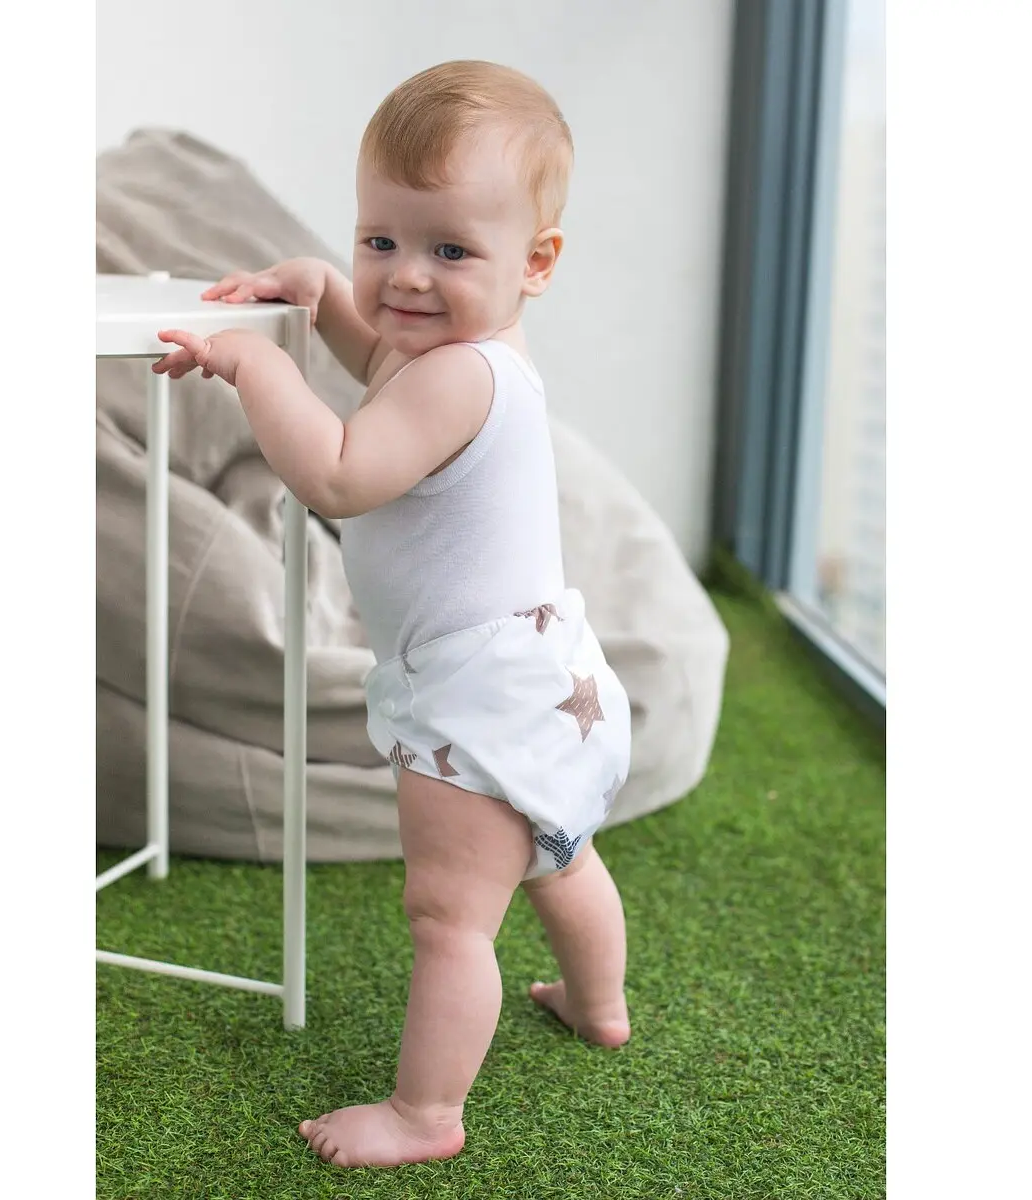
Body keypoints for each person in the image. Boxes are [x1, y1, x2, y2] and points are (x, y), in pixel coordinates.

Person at [152, 59, 632, 1170]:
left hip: (478, 699)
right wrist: (325, 292)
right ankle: (598, 1002)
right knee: (560, 856)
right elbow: (380, 362)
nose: (406, 276)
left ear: (536, 262)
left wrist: (250, 365)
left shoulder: (455, 379)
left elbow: (339, 470)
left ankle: (426, 1114)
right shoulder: (474, 354)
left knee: (450, 918)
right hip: (547, 679)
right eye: (380, 240)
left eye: (449, 251)